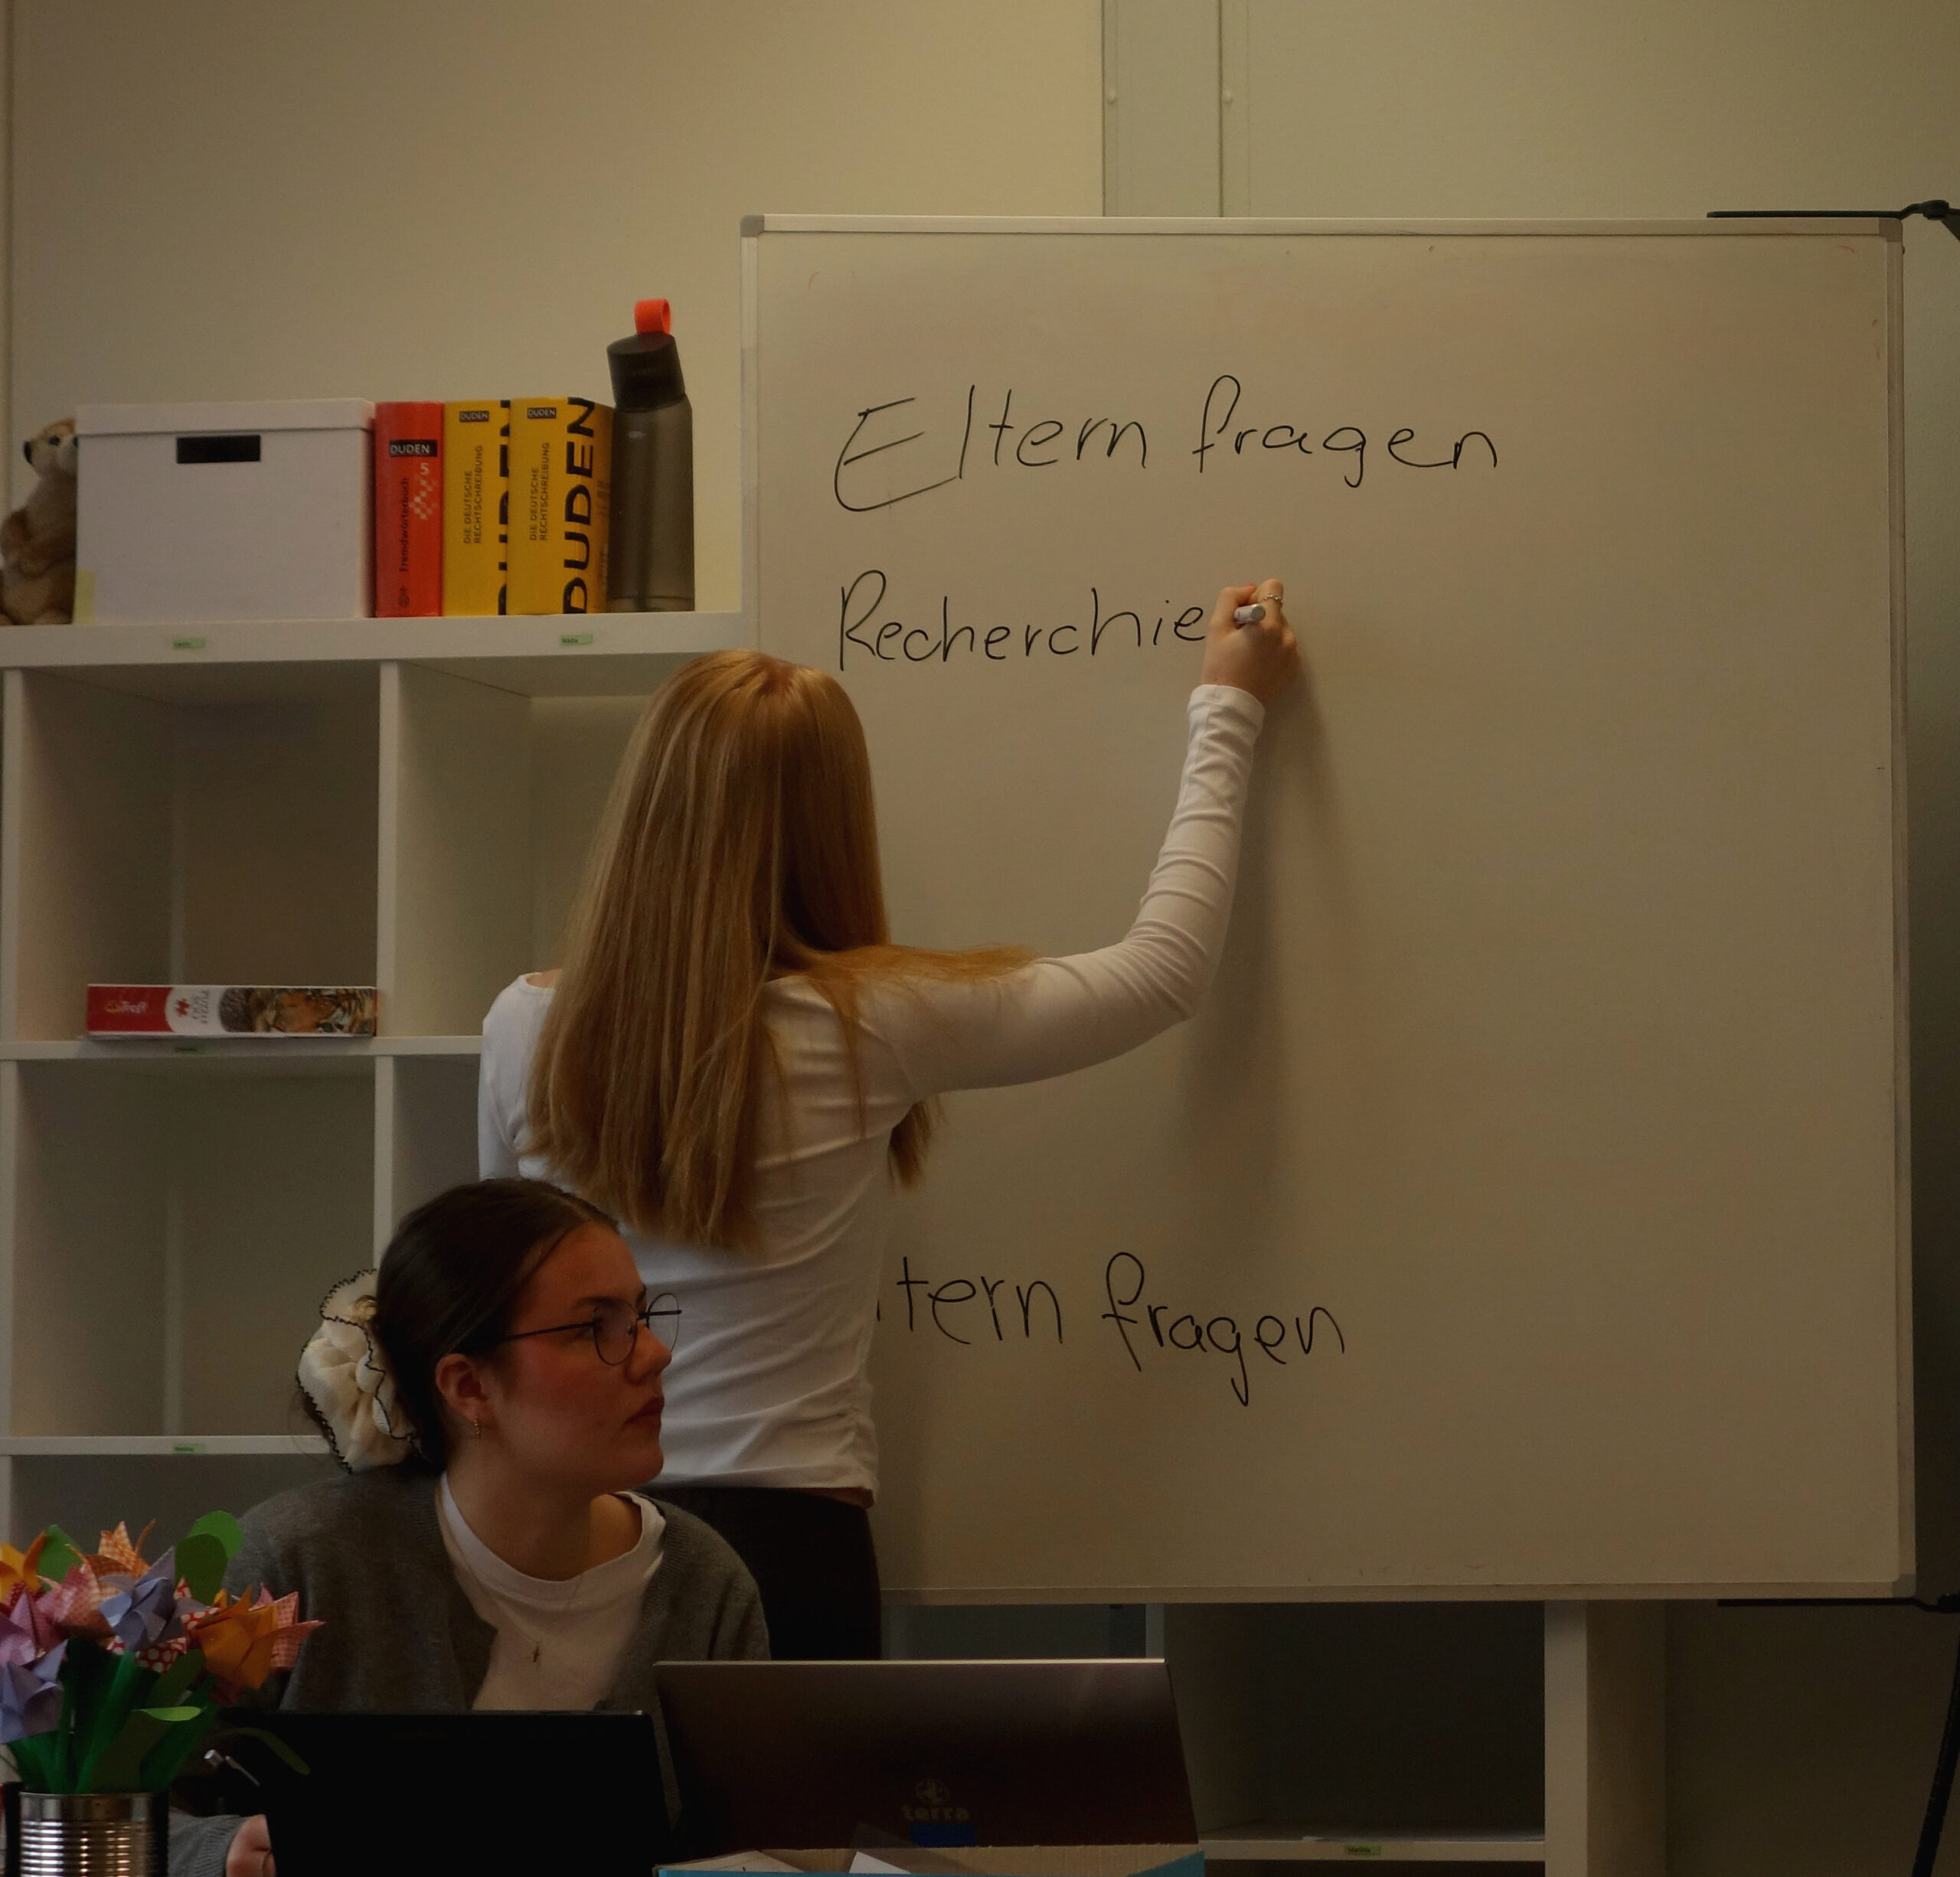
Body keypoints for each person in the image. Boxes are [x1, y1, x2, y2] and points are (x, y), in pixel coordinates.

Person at [480, 579, 1301, 1659]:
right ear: (832, 826)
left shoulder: (524, 1026)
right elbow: (1164, 971)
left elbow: (491, 1300)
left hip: (570, 1540)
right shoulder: (869, 1022)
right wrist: (1228, 706)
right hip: (789, 1549)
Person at [172, 1177, 767, 1877]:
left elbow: (754, 1854)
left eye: (639, 1318)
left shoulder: (704, 1584)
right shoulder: (300, 1562)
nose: (655, 1354)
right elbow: (105, 1804)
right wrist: (222, 1852)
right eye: (593, 1328)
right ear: (468, 1386)